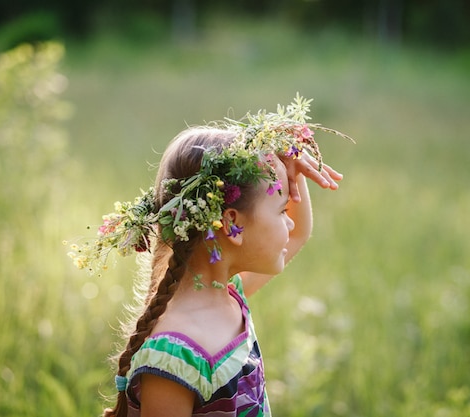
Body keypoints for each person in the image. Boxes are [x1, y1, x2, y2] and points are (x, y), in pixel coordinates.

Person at [67, 95, 352, 416]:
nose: (289, 220)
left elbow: (297, 233)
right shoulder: (172, 358)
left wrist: (291, 170)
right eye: (281, 209)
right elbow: (297, 233)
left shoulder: (230, 296)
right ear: (231, 222)